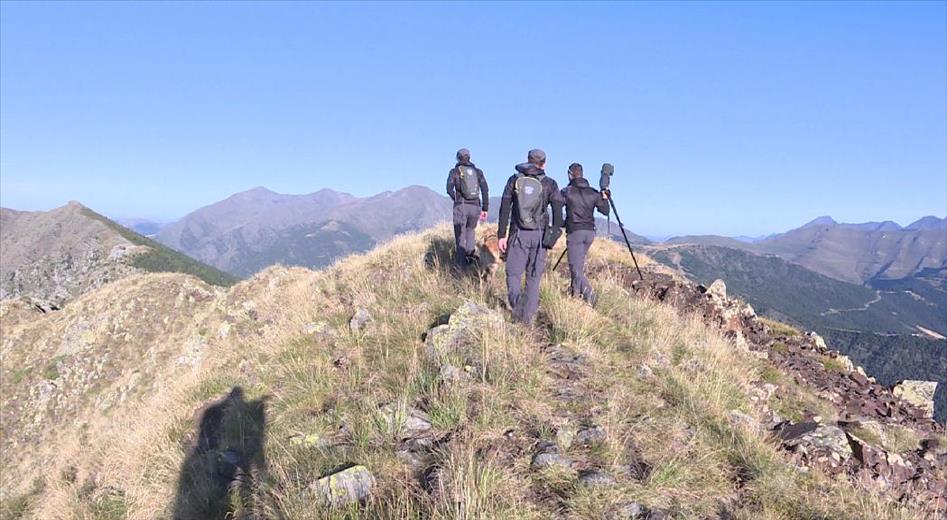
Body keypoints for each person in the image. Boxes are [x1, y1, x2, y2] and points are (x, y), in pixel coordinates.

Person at [497, 149, 564, 324]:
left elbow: (504, 208)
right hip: (540, 236)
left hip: (518, 234)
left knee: (513, 274)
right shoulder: (550, 184)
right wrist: (554, 236)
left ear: (527, 160)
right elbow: (558, 213)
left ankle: (517, 305)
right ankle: (527, 318)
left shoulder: (515, 180)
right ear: (544, 163)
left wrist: (501, 235)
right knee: (534, 277)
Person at [561, 163, 610, 304]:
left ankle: (590, 296)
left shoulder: (567, 191)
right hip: (590, 233)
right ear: (582, 174)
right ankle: (575, 295)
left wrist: (560, 223)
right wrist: (605, 196)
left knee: (575, 268)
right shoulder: (593, 192)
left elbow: (556, 204)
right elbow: (605, 211)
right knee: (578, 264)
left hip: (575, 232)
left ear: (570, 174)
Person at [446, 148, 489, 267]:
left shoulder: (455, 171)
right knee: (471, 231)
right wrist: (485, 208)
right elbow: (485, 189)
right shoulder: (478, 172)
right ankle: (471, 260)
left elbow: (449, 189)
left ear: (458, 158)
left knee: (460, 235)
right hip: (475, 207)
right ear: (469, 157)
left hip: (461, 206)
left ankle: (461, 266)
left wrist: (456, 199)